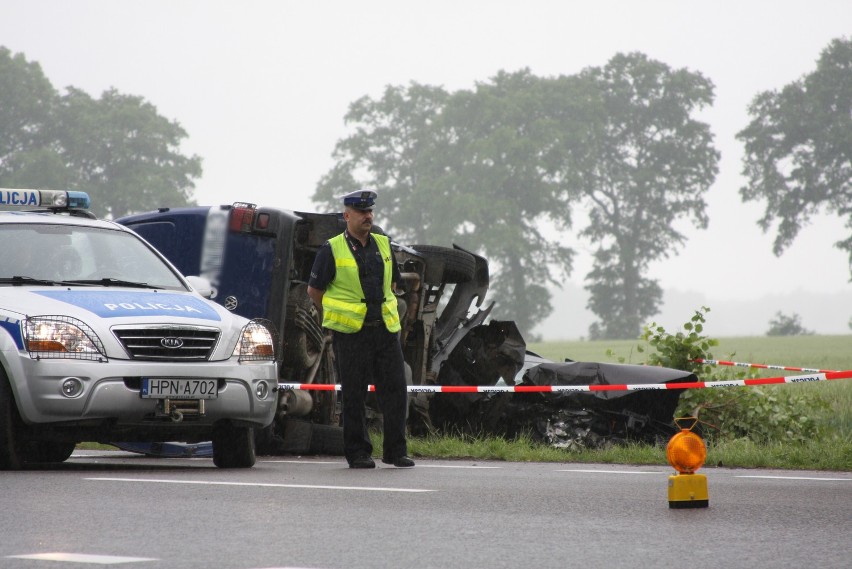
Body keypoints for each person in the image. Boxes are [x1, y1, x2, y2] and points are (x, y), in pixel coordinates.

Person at [307, 190, 414, 469]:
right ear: (347, 216)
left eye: (370, 211)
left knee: (395, 391)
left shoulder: (383, 244)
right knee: (354, 394)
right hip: (352, 333)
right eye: (361, 212)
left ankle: (396, 451)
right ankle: (358, 453)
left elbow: (392, 285)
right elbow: (314, 291)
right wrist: (336, 316)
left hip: (385, 330)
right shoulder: (331, 249)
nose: (368, 216)